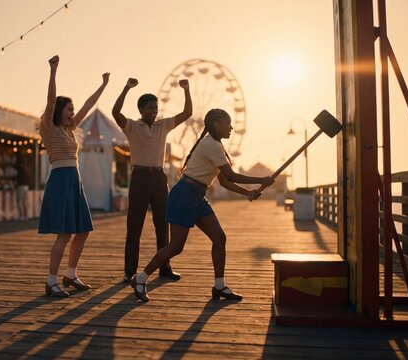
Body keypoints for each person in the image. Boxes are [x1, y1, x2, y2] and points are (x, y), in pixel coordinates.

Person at [131, 108, 273, 302]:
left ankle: (219, 286)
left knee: (219, 238)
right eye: (227, 123)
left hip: (197, 195)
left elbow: (224, 182)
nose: (231, 127)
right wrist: (261, 180)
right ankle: (140, 279)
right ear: (217, 124)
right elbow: (231, 176)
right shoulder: (211, 145)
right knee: (176, 246)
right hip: (184, 195)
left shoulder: (217, 146)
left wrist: (248, 192)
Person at [38, 55, 109, 297]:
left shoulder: (70, 129)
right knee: (65, 233)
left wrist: (103, 86)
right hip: (60, 181)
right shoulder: (48, 126)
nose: (73, 113)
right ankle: (51, 280)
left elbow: (89, 105)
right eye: (69, 109)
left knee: (83, 230)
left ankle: (70, 274)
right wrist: (53, 71)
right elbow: (50, 100)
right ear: (59, 110)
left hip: (74, 181)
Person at [112, 77, 192, 283]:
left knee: (162, 224)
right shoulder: (131, 126)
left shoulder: (163, 125)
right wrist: (126, 88)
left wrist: (186, 89)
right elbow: (115, 113)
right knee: (134, 225)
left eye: (156, 108)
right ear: (141, 110)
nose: (154, 111)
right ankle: (130, 271)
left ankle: (164, 267)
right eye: (150, 108)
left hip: (158, 176)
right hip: (139, 176)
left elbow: (187, 113)